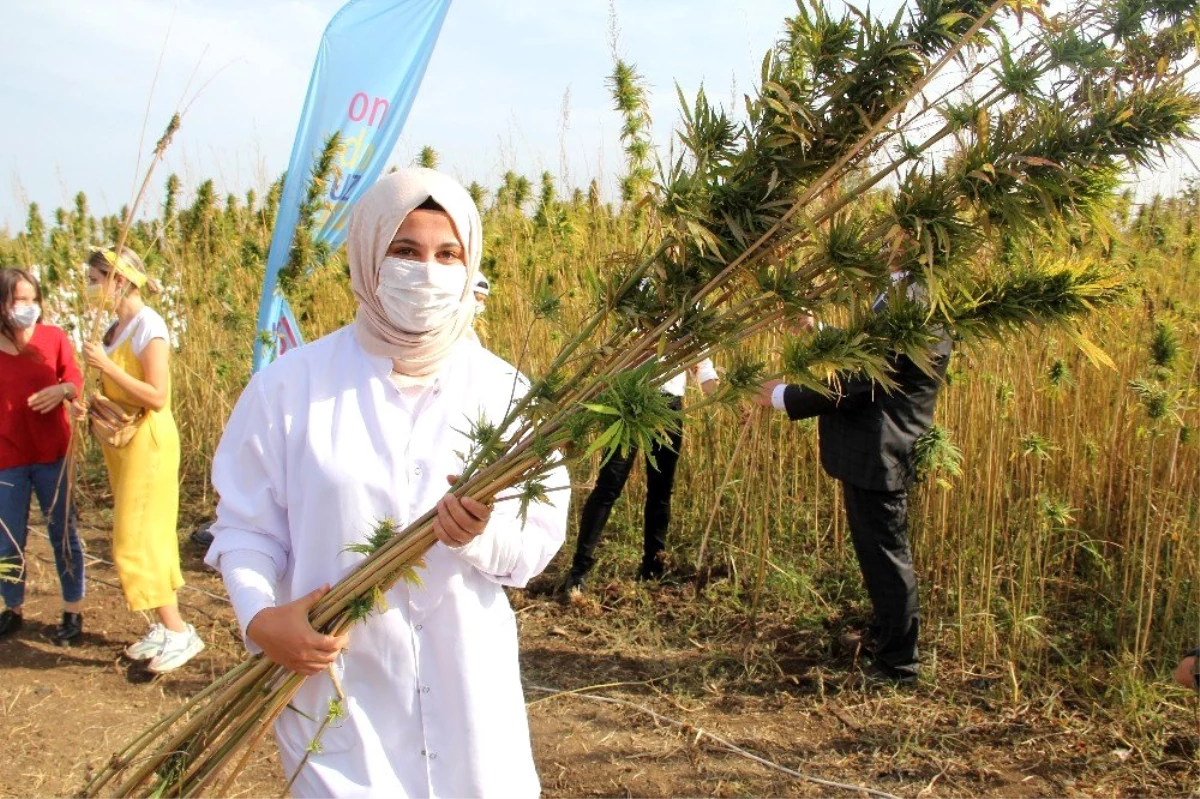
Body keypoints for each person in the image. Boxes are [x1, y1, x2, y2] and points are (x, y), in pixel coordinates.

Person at [205, 168, 570, 798]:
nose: (427, 271)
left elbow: (535, 544)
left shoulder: (506, 394)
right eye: (405, 251)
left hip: (470, 705)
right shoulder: (289, 388)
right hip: (340, 703)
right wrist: (261, 620)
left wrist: (478, 537)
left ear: (470, 263)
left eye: (447, 254)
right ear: (370, 254)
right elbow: (246, 528)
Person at [753, 270, 952, 685]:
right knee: (876, 552)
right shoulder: (903, 289)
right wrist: (816, 329)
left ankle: (898, 664)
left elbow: (861, 379)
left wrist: (780, 395)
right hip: (873, 448)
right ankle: (885, 634)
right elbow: (868, 354)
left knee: (887, 555)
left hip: (883, 449)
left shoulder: (913, 300)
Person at [81, 247, 204, 673]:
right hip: (122, 444)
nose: (90, 287)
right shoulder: (116, 327)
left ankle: (178, 632)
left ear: (119, 281)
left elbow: (156, 395)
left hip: (148, 442)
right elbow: (118, 391)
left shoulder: (149, 325)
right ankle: (163, 623)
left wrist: (105, 365)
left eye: (95, 278)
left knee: (134, 540)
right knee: (149, 535)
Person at [563, 358, 719, 592]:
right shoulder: (642, 321)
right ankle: (578, 571)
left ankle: (653, 568)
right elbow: (620, 354)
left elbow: (704, 370)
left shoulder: (688, 324)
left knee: (661, 488)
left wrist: (732, 401)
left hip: (669, 407)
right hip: (630, 401)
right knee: (608, 485)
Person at [0, 267, 86, 644]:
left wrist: (64, 390)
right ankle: (12, 607)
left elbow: (75, 379)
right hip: (7, 458)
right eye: (20, 300)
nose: (28, 307)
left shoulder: (53, 338)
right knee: (8, 540)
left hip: (53, 453)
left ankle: (73, 610)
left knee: (63, 533)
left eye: (33, 300)